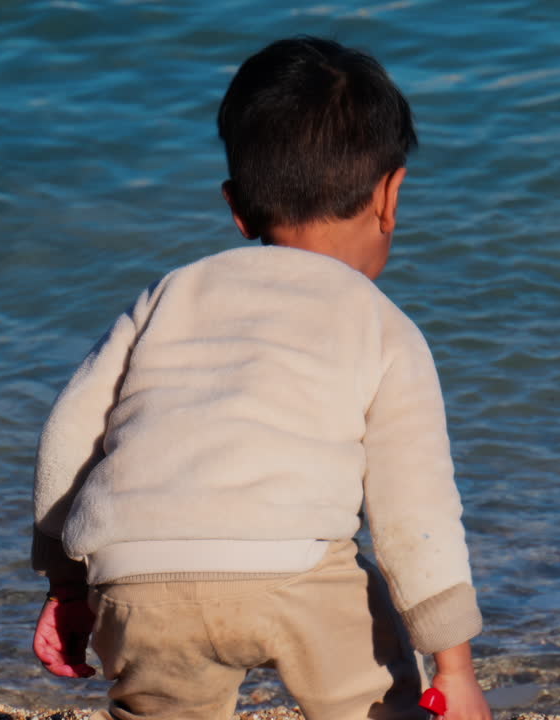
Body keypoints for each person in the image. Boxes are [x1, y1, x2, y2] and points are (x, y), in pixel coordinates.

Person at [30, 36, 492, 720]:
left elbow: (69, 435)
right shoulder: (381, 324)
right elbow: (414, 510)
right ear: (390, 197)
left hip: (138, 574)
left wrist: (67, 581)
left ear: (237, 207)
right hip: (297, 571)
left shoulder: (168, 296)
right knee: (378, 701)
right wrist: (453, 665)